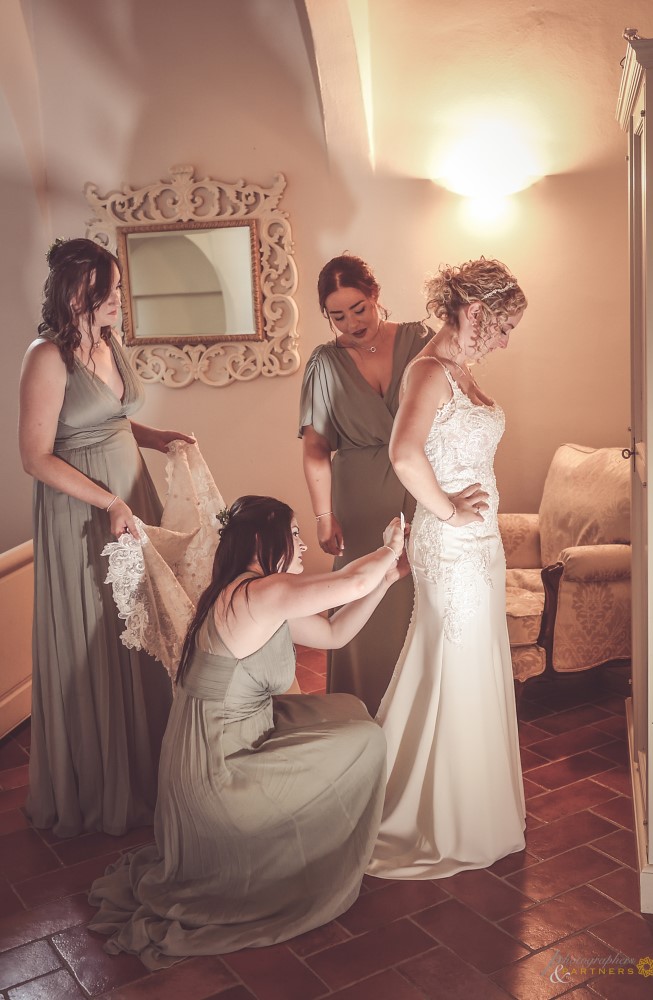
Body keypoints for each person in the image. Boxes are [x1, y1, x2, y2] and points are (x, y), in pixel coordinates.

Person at [88, 495, 406, 968]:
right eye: (294, 536)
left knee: (347, 713)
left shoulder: (256, 592)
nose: (301, 547)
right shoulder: (260, 593)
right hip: (216, 770)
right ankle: (311, 851)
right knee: (364, 740)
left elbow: (336, 634)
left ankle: (313, 839)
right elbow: (351, 581)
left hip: (227, 738)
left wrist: (392, 577)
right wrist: (391, 548)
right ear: (261, 540)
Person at [18, 237, 194, 838]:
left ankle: (147, 770)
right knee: (100, 632)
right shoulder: (46, 357)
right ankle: (101, 782)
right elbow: (36, 457)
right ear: (77, 294)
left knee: (142, 628)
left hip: (130, 500)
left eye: (118, 290)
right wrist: (109, 501)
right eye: (110, 292)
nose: (120, 301)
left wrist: (155, 435)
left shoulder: (109, 342)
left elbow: (112, 417)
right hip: (85, 514)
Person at [367, 257, 528, 879]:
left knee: (470, 667)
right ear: (476, 312)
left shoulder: (458, 370)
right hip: (454, 550)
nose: (508, 340)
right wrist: (452, 514)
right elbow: (404, 456)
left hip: (480, 549)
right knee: (453, 667)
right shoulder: (430, 371)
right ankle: (447, 817)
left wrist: (474, 518)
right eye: (505, 325)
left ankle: (476, 806)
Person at [299, 254, 436, 716]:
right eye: (338, 316)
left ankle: (421, 717)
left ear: (375, 295)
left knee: (422, 594)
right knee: (365, 597)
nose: (352, 323)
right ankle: (364, 711)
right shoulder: (324, 363)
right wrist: (323, 514)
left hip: (424, 485)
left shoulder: (423, 341)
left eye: (359, 308)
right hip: (357, 500)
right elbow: (316, 448)